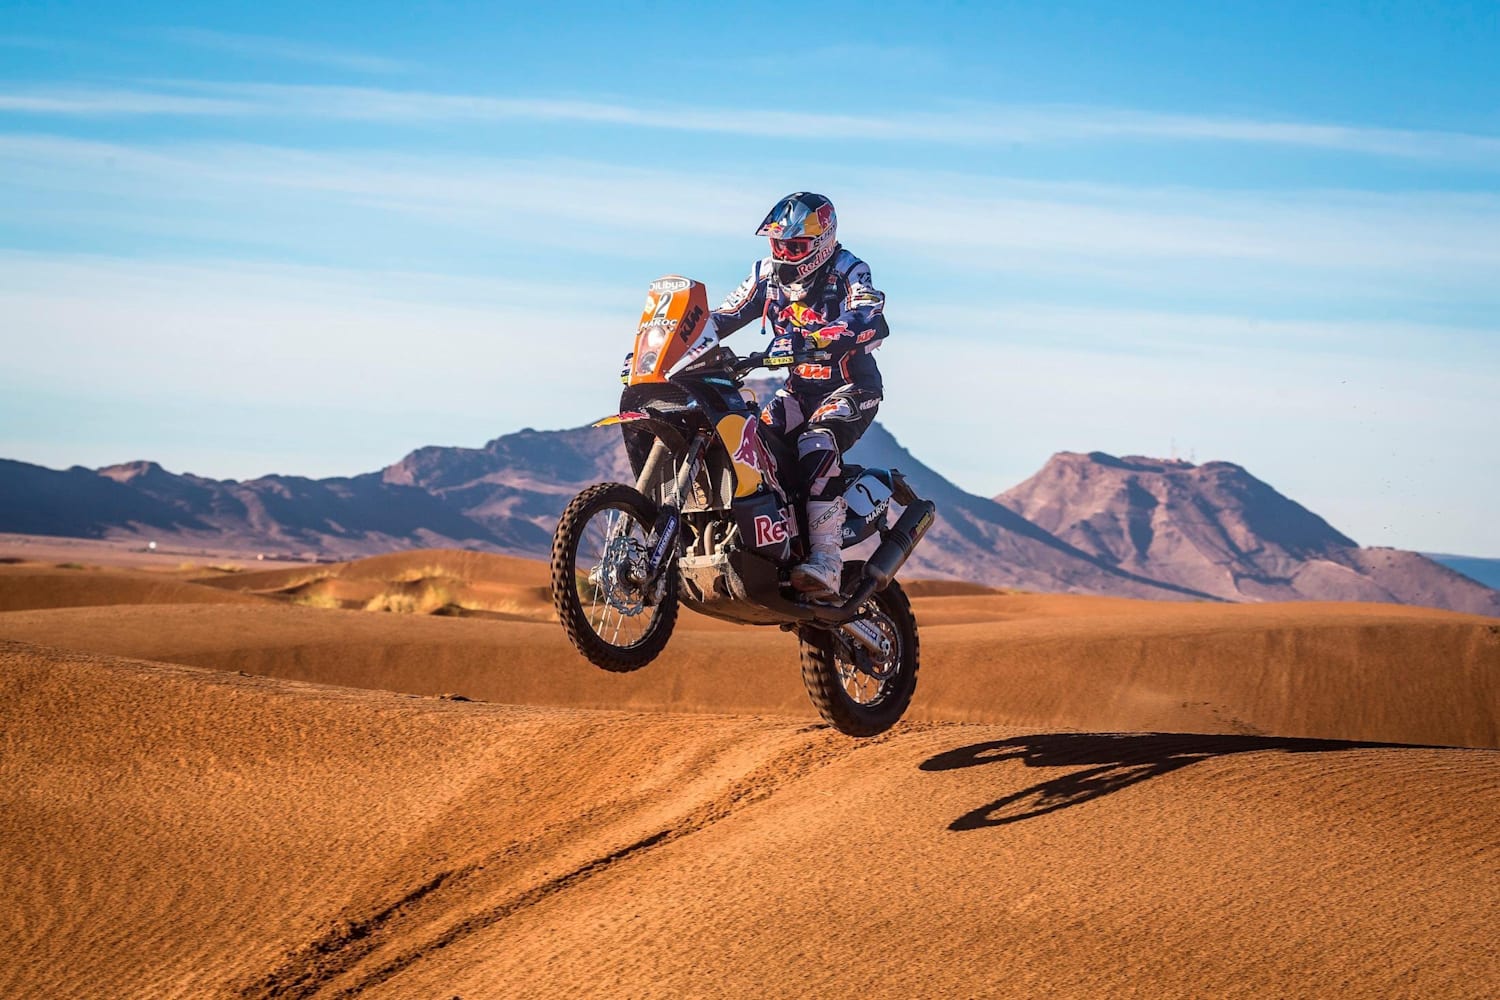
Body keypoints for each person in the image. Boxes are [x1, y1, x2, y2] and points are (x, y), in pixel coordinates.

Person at [711, 192, 889, 598]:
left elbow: (868, 314)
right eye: (778, 244)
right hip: (798, 391)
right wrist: (679, 337)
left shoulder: (848, 269)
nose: (784, 253)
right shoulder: (766, 274)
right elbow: (725, 314)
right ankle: (775, 536)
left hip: (851, 388)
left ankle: (826, 558)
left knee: (816, 439)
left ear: (823, 242)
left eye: (794, 246)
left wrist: (824, 335)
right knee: (749, 438)